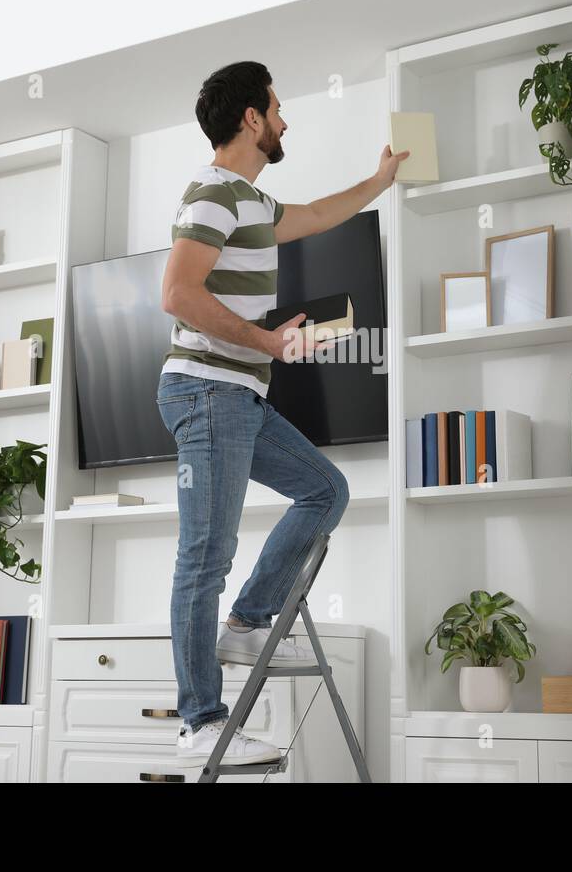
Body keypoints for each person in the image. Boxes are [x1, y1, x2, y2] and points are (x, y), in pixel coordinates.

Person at [157, 60, 407, 766]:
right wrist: (267, 339)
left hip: (239, 394)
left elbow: (322, 214)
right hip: (207, 390)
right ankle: (199, 722)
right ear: (252, 119)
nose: (286, 119)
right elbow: (178, 294)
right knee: (204, 557)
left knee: (326, 489)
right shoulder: (211, 193)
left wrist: (379, 182)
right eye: (277, 107)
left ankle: (247, 621)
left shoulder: (252, 204)